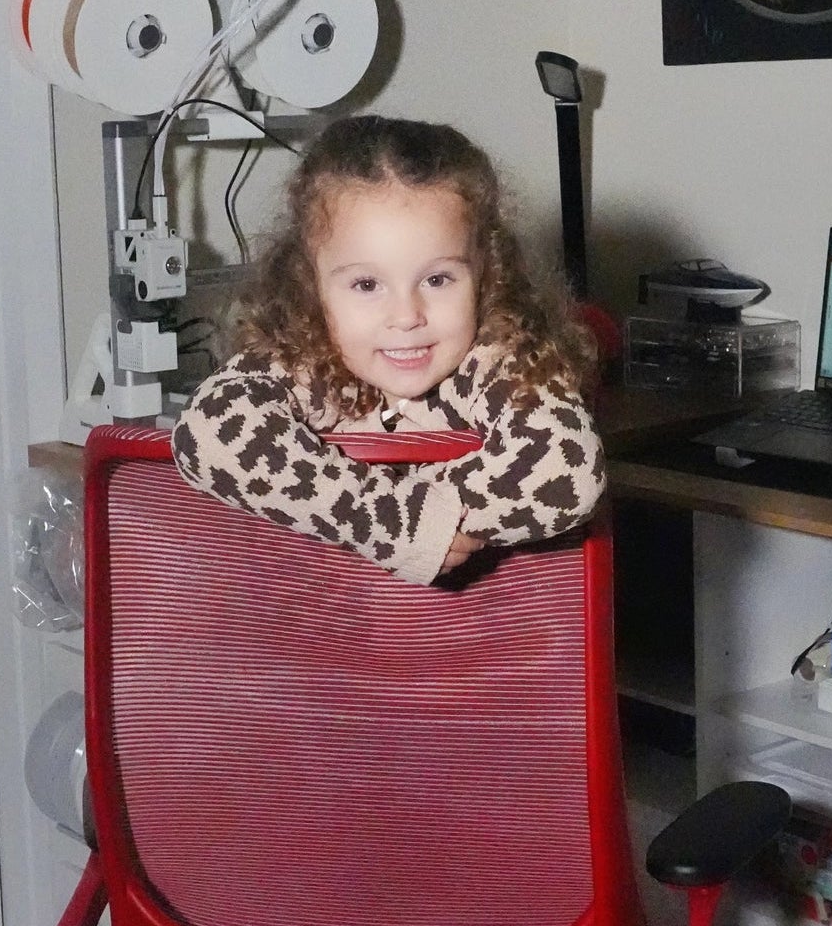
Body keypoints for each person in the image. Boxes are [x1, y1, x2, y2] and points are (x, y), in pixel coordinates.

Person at [171, 114, 606, 584]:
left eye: (437, 279)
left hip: (476, 644)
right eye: (366, 284)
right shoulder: (310, 358)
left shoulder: (494, 359)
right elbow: (207, 430)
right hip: (327, 632)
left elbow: (568, 468)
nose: (406, 315)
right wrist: (388, 523)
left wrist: (426, 516)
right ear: (310, 285)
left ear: (486, 271)